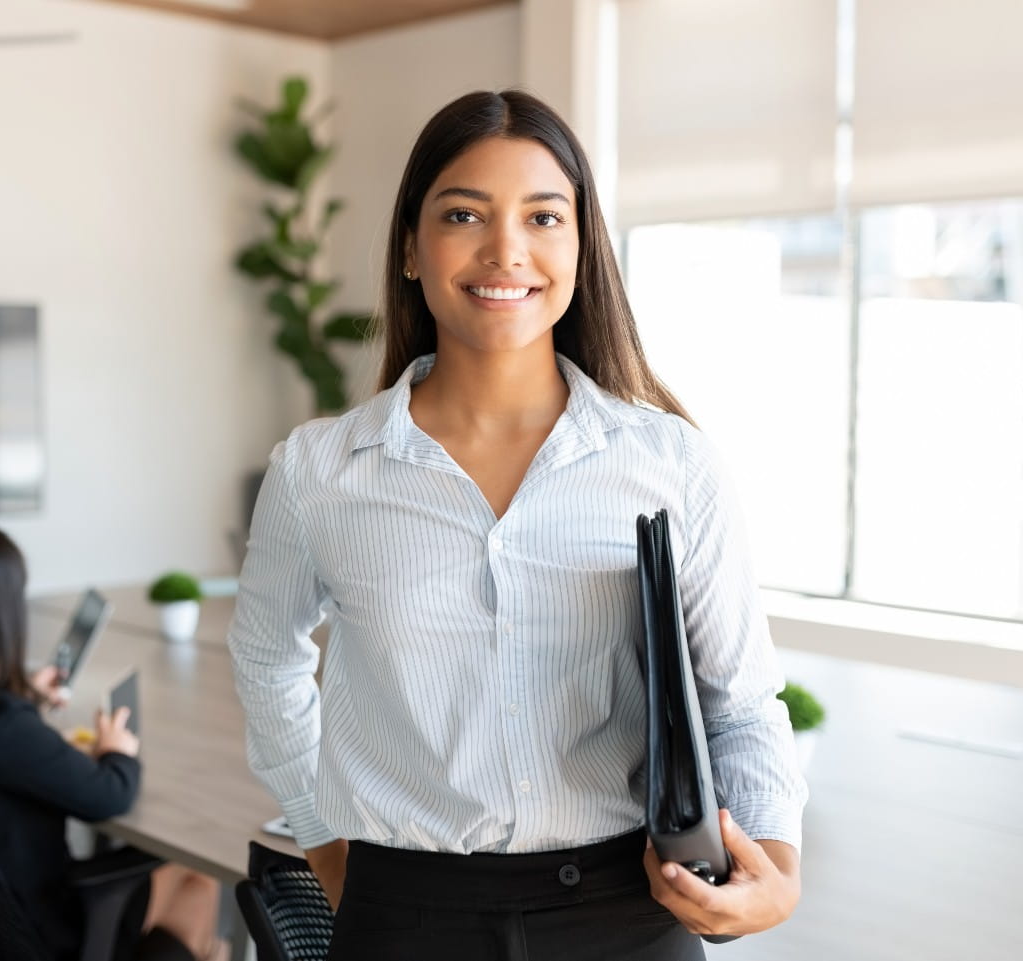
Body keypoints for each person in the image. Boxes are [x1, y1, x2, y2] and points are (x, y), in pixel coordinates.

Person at [227, 90, 808, 961]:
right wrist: (323, 839)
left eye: (544, 216)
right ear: (412, 250)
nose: (507, 250)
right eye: (464, 214)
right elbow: (267, 659)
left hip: (628, 912)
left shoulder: (670, 461)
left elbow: (738, 699)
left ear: (580, 248)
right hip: (403, 915)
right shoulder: (319, 470)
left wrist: (779, 866)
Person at [0, 524, 219, 961]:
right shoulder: (0, 725)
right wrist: (117, 751)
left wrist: (24, 694)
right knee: (198, 880)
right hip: (28, 931)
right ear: (0, 614)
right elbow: (109, 795)